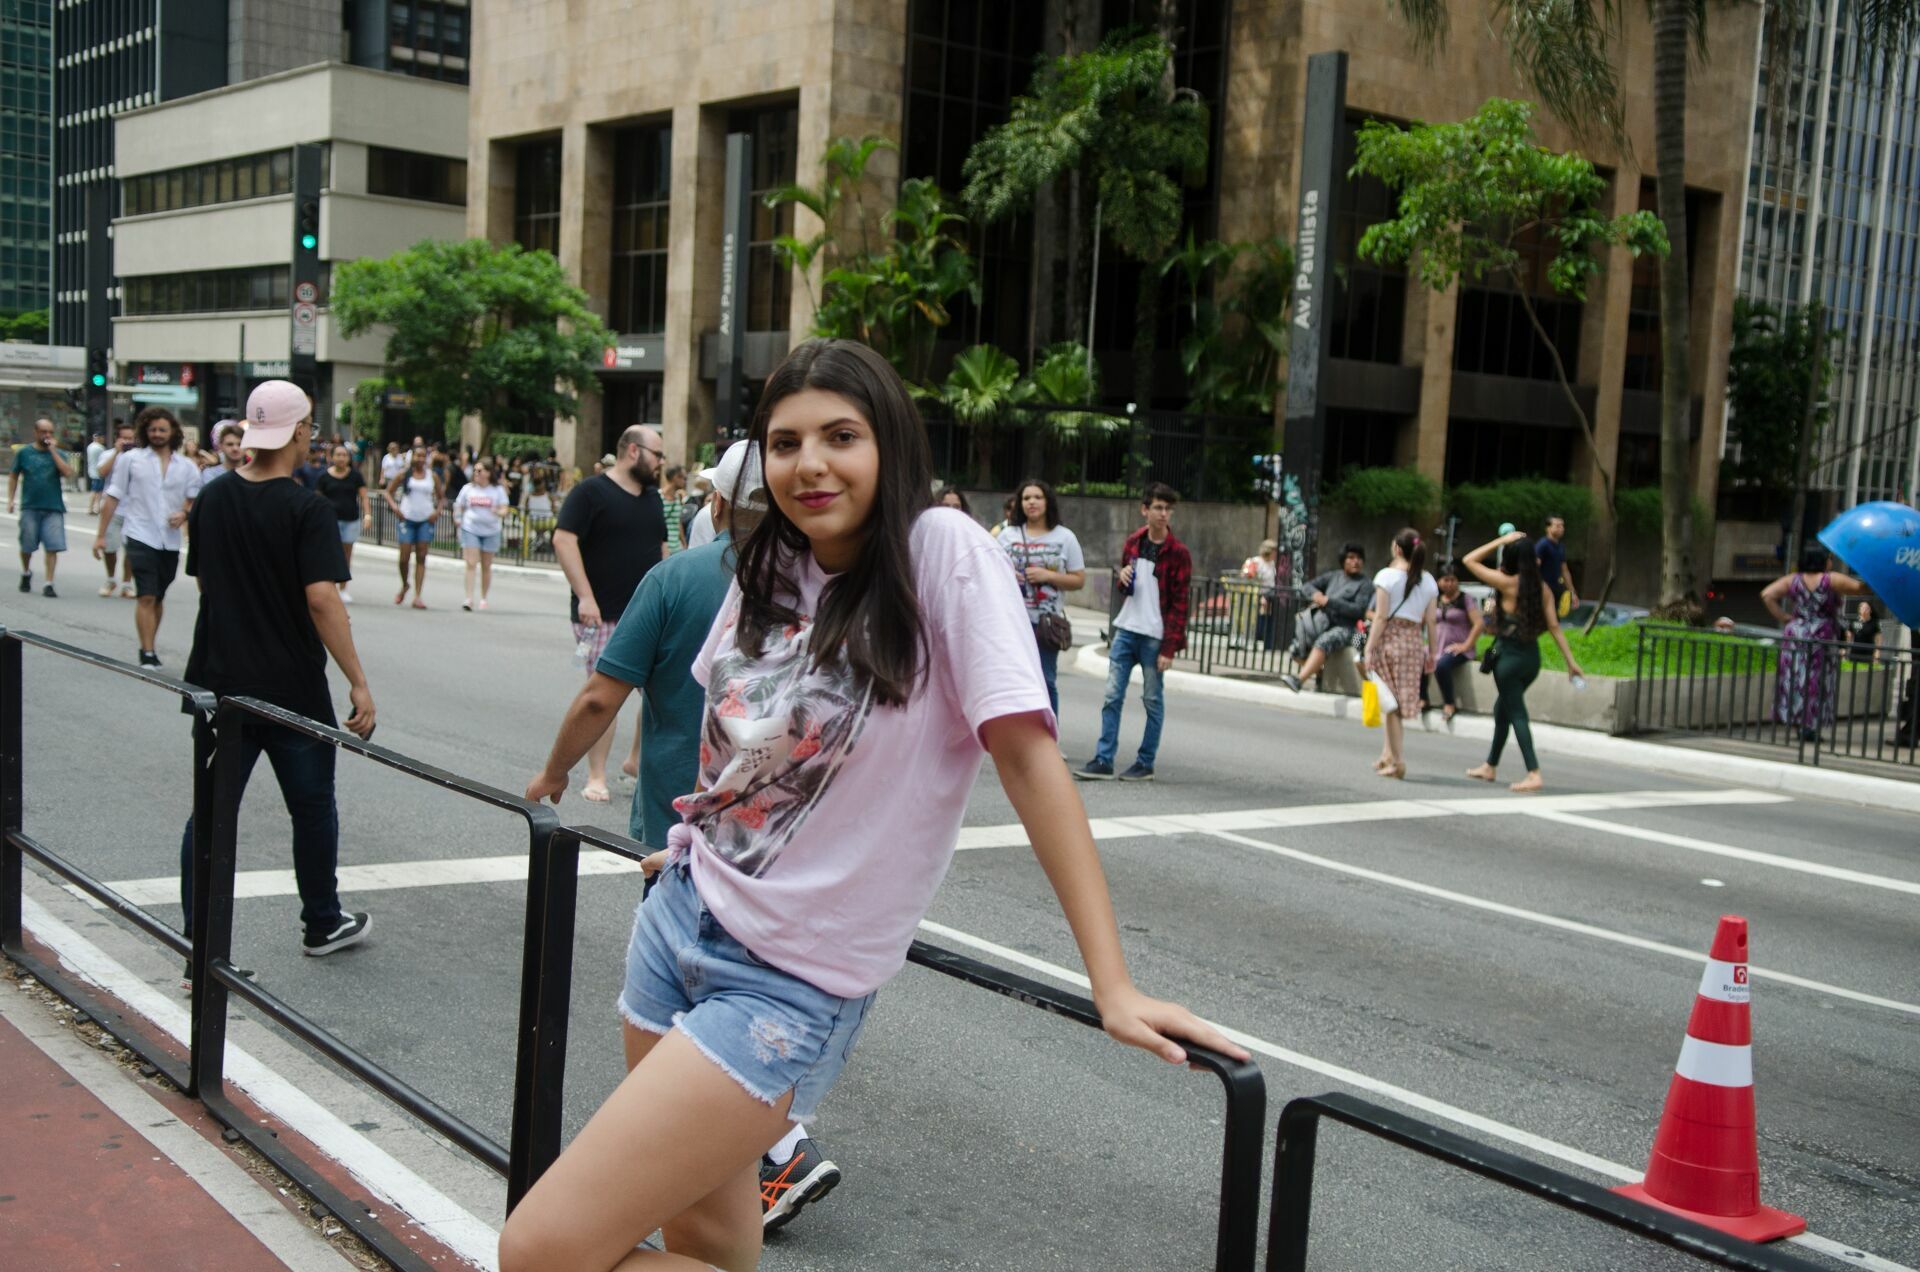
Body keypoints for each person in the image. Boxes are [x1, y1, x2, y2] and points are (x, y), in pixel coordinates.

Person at [495, 338, 1241, 1272]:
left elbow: (1027, 759)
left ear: (889, 442)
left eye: (840, 436)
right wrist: (696, 835)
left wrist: (1112, 983)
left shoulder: (942, 553)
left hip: (783, 980)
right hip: (679, 920)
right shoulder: (771, 562)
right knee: (705, 1244)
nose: (809, 463)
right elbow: (735, 733)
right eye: (785, 442)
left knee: (541, 1253)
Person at [528, 440, 843, 1231]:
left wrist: (554, 772)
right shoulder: (827, 584)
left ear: (723, 503)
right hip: (783, 840)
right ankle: (743, 1160)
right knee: (739, 996)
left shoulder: (681, 577)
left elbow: (602, 695)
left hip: (687, 826)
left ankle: (776, 1151)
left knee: (689, 999)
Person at [177, 380, 375, 964]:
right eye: (310, 426)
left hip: (220, 681)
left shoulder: (213, 498)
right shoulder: (306, 509)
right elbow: (322, 599)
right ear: (299, 432)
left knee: (212, 812)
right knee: (312, 808)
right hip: (292, 685)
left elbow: (207, 583)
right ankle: (321, 921)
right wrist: (358, 680)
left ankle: (199, 946)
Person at [554, 424, 668, 804]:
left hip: (647, 614)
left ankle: (635, 761)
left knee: (659, 693)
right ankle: (596, 775)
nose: (661, 463)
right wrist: (585, 597)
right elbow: (563, 539)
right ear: (633, 451)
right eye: (657, 455)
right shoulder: (590, 492)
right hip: (601, 614)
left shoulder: (652, 498)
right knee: (606, 696)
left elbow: (662, 549)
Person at [1075, 483, 1190, 782]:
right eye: (1158, 508)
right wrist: (1123, 577)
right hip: (1127, 629)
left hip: (1154, 635)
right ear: (1145, 510)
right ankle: (1104, 759)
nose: (1164, 514)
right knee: (1112, 696)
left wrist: (1169, 648)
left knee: (1152, 700)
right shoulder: (1133, 543)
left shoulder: (1178, 553)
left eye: (1168, 509)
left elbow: (1180, 604)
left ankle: (1145, 762)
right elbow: (1127, 589)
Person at [1462, 530, 1585, 792]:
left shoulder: (1507, 584)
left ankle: (1533, 772)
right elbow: (1554, 627)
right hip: (1531, 660)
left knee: (1516, 712)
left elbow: (1469, 560)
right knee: (1503, 708)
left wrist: (1501, 540)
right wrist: (1571, 662)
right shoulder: (1544, 589)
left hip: (1508, 660)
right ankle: (1490, 765)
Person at [94, 407, 203, 667]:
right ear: (145, 431)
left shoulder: (187, 467)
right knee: (146, 595)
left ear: (173, 432)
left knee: (158, 595)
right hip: (139, 533)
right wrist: (100, 535)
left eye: (162, 429)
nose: (157, 434)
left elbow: (194, 499)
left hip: (170, 540)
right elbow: (113, 496)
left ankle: (150, 643)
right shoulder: (130, 460)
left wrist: (183, 514)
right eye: (152, 429)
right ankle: (147, 651)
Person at [995, 478, 1085, 716]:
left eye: (1037, 497)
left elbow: (1079, 580)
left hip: (1046, 623)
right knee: (1011, 683)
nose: (1031, 502)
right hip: (1012, 622)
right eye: (1026, 498)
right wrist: (1007, 574)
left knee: (1046, 681)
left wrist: (1048, 575)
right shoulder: (1008, 535)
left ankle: (1049, 733)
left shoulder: (1065, 537)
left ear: (1047, 502)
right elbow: (991, 571)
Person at [1762, 546, 1867, 742]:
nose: (1831, 562)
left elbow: (1767, 594)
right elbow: (1860, 588)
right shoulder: (1830, 579)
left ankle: (1797, 723)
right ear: (1822, 561)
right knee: (1818, 682)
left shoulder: (1793, 580)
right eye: (1829, 559)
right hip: (1821, 636)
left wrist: (1785, 617)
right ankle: (1810, 725)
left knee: (1795, 679)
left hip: (1796, 635)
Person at [1360, 528, 1438, 779]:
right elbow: (1431, 621)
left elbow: (1381, 617)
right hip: (1414, 643)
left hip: (1390, 641)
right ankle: (1387, 754)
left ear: (1397, 549)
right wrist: (1433, 653)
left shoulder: (1386, 576)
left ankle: (1398, 761)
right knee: (1394, 703)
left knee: (1391, 705)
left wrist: (1369, 647)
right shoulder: (1429, 580)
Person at [1280, 543, 1372, 693]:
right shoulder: (1333, 576)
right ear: (1343, 560)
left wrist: (1329, 601)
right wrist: (1316, 595)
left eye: (1359, 558)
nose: (1355, 561)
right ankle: (1320, 674)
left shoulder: (1365, 584)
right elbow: (1307, 586)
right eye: (1351, 557)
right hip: (1322, 623)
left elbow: (1358, 610)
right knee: (1296, 649)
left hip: (1347, 629)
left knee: (1324, 642)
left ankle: (1299, 680)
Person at [11, 417, 73, 597]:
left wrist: (53, 451)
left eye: (51, 432)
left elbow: (67, 472)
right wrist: (11, 500)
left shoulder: (59, 454)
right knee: (27, 545)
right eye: (44, 432)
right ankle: (26, 572)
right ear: (36, 432)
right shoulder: (24, 453)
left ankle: (49, 583)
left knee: (52, 546)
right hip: (30, 505)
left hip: (53, 507)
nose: (47, 435)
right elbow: (14, 475)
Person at [384, 444, 443, 608]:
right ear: (412, 457)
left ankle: (418, 595)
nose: (420, 459)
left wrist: (437, 512)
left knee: (421, 556)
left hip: (425, 519)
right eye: (418, 455)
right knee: (404, 557)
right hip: (407, 518)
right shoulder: (404, 474)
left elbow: (441, 497)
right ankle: (405, 584)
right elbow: (388, 492)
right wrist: (395, 508)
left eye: (423, 456)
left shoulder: (432, 476)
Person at [314, 444, 370, 603]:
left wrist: (367, 515)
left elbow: (364, 496)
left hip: (350, 520)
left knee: (346, 555)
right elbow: (317, 499)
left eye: (344, 455)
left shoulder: (355, 476)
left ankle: (343, 588)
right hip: (330, 521)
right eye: (338, 455)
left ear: (349, 458)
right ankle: (329, 586)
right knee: (330, 553)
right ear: (332, 457)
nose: (341, 458)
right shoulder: (324, 476)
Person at [1429, 564, 1483, 724]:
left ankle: (1449, 703)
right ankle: (1422, 699)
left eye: (1453, 580)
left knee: (1442, 666)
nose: (1449, 584)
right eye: (1446, 580)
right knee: (1421, 659)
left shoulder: (1465, 599)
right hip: (1438, 646)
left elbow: (1479, 624)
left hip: (1458, 648)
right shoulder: (1435, 600)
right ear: (1439, 581)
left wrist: (1466, 645)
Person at [455, 460, 508, 611]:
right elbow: (459, 505)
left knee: (486, 565)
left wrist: (497, 511)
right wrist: (457, 519)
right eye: (475, 470)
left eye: (480, 470)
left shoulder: (497, 490)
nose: (476, 473)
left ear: (489, 473)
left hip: (491, 531)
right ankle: (469, 598)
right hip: (471, 528)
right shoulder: (468, 489)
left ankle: (484, 597)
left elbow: (504, 509)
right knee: (471, 563)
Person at [93, 421, 138, 598]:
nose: (127, 441)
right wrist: (117, 453)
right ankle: (111, 579)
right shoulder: (107, 454)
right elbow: (101, 473)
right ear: (117, 439)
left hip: (133, 510)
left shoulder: (139, 457)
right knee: (110, 547)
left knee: (131, 550)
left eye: (131, 438)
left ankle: (127, 584)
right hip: (112, 509)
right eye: (124, 438)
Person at [1238, 538, 1279, 649]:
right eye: (1274, 551)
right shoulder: (1256, 562)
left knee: (1269, 620)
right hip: (1258, 595)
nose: (1276, 554)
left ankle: (1268, 645)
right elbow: (1247, 577)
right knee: (1258, 621)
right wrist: (1260, 596)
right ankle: (1253, 642)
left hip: (1271, 595)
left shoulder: (1273, 564)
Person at [1536, 514, 1578, 618]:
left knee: (1555, 617)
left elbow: (1564, 570)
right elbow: (1534, 566)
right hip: (1543, 589)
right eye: (1558, 526)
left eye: (1562, 526)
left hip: (1556, 588)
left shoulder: (1560, 546)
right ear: (1548, 528)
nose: (1561, 528)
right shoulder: (1542, 545)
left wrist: (1572, 592)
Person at [660, 464, 688, 554]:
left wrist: (684, 544)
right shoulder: (658, 497)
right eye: (684, 478)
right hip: (663, 549)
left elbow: (678, 522)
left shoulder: (678, 498)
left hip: (677, 548)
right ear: (676, 477)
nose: (685, 482)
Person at [1843, 600, 1881, 665]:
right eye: (1862, 607)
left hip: (1868, 654)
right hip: (1854, 653)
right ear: (1859, 609)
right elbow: (1848, 638)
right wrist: (1844, 652)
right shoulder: (1854, 622)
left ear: (1870, 610)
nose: (1864, 609)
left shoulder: (1874, 623)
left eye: (1866, 608)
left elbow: (1878, 641)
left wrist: (1877, 655)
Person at [85, 431, 109, 514]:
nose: (103, 439)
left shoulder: (90, 446)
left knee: (96, 490)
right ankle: (94, 508)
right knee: (97, 491)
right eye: (102, 437)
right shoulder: (100, 448)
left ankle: (94, 508)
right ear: (99, 438)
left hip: (92, 471)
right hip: (99, 472)